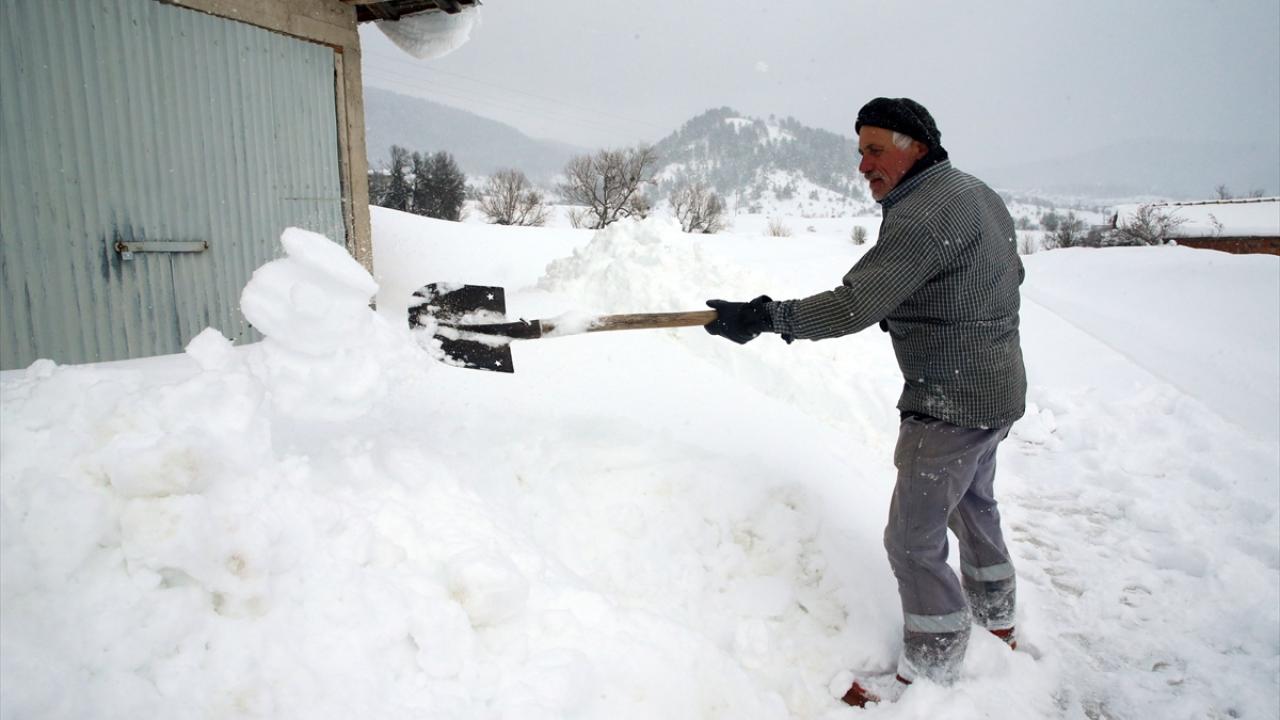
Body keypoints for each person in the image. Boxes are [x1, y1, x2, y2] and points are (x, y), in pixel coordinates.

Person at [703, 97, 1026, 706]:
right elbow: (1007, 274)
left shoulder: (923, 216)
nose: (863, 167)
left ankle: (934, 671)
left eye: (875, 150)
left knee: (912, 540)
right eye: (861, 152)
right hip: (997, 389)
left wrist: (766, 316)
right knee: (975, 505)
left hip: (950, 403)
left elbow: (855, 305)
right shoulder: (975, 192)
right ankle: (998, 619)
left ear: (916, 147)